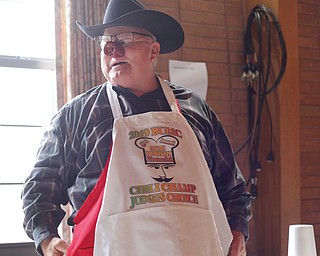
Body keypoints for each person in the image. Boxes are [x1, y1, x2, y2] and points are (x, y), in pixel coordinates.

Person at [22, 0, 252, 255]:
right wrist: (48, 239)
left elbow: (232, 189)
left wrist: (237, 234)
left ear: (153, 52)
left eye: (126, 39)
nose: (113, 50)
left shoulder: (195, 109)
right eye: (105, 42)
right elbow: (40, 188)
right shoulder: (76, 115)